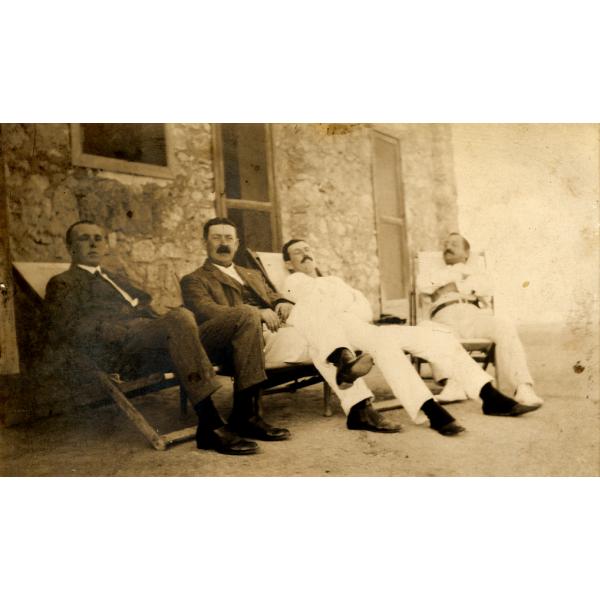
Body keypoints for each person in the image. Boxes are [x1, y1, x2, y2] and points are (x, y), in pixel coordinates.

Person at [43, 220, 275, 457]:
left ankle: (246, 415)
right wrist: (130, 327)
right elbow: (72, 328)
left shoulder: (115, 278)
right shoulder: (62, 283)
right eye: (84, 238)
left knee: (246, 314)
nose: (93, 243)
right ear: (70, 247)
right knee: (181, 316)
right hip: (125, 348)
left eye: (98, 238)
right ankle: (210, 422)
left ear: (105, 247)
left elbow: (146, 304)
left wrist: (159, 318)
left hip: (161, 338)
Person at [280, 238, 540, 435]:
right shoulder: (292, 281)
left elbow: (365, 310)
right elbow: (314, 307)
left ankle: (488, 395)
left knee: (437, 337)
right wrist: (344, 303)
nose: (305, 254)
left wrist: (343, 301)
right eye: (297, 252)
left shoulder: (335, 281)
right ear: (288, 263)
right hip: (333, 333)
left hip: (361, 328)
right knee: (383, 344)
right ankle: (429, 408)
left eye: (307, 249)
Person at [180, 217, 400, 436]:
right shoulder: (194, 279)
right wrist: (257, 313)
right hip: (242, 340)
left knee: (317, 331)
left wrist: (281, 302)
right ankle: (356, 396)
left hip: (276, 332)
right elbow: (206, 311)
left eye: (229, 238)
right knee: (321, 340)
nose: (223, 243)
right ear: (204, 243)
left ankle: (349, 377)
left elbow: (273, 295)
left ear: (237, 244)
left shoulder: (252, 274)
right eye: (216, 238)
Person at [416, 232, 544, 407]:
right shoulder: (433, 271)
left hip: (473, 315)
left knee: (504, 325)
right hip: (443, 316)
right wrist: (461, 279)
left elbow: (486, 288)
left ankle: (523, 388)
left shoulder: (476, 271)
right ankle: (453, 384)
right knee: (428, 329)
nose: (448, 247)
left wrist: (451, 286)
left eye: (454, 244)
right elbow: (423, 285)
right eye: (446, 244)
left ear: (467, 253)